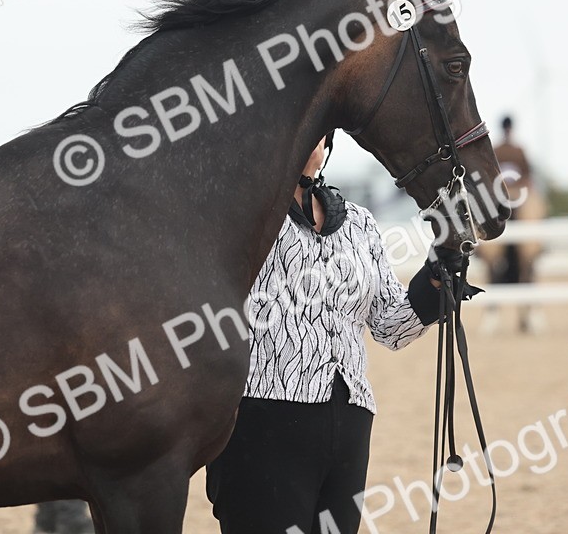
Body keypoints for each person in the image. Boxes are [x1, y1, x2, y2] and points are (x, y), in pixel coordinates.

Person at [206, 131, 460, 534]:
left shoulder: (360, 223)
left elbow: (390, 326)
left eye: (319, 134)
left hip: (350, 422)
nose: (311, 142)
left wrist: (438, 271)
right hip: (263, 421)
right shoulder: (239, 216)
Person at [478, 115, 546, 334]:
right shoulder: (508, 150)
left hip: (513, 194)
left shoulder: (508, 150)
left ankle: (536, 244)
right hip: (505, 194)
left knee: (533, 210)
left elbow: (527, 178)